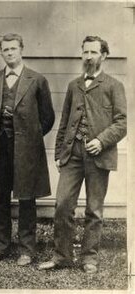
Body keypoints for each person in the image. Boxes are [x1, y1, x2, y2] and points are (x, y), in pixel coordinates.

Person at [38, 36, 127, 274]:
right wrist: (59, 152)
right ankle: (62, 256)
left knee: (94, 209)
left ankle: (90, 258)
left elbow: (122, 123)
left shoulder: (114, 86)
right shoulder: (73, 85)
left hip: (99, 156)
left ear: (104, 55)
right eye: (85, 52)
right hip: (72, 155)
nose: (88, 57)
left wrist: (101, 140)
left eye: (93, 52)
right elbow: (65, 121)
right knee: (63, 204)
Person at [0, 33, 55, 266]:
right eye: (5, 49)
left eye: (13, 48)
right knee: (0, 198)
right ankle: (0, 246)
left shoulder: (37, 80)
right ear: (1, 52)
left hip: (26, 152)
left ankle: (27, 249)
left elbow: (48, 117)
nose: (9, 53)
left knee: (26, 199)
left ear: (21, 50)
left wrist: (30, 137)